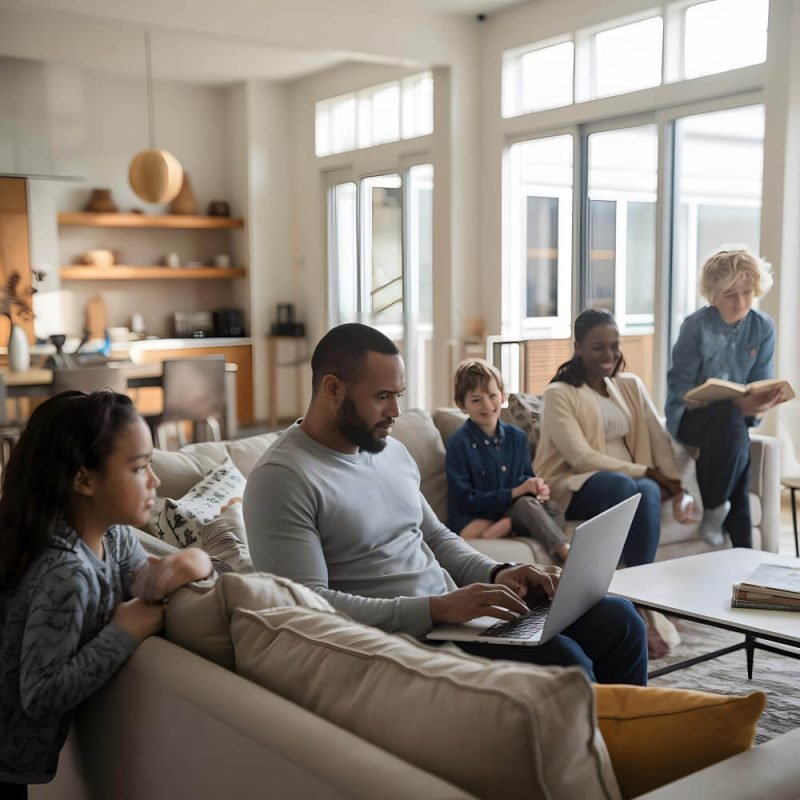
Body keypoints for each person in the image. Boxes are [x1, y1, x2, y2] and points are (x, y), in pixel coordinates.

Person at [244, 322, 647, 686]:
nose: (396, 412)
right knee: (565, 662)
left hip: (454, 619)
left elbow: (434, 535)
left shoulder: (390, 451)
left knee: (621, 621)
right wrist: (437, 608)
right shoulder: (282, 479)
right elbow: (307, 606)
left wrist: (496, 572)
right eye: (382, 397)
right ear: (333, 388)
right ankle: (592, 761)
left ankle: (627, 753)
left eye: (399, 395)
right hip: (404, 639)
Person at [0, 390, 212, 797]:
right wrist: (123, 633)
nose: (156, 480)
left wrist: (193, 561)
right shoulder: (65, 573)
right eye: (139, 468)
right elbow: (41, 696)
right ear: (83, 478)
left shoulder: (112, 536)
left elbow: (147, 581)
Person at [534, 309, 698, 571]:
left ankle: (638, 590)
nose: (609, 355)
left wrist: (677, 487)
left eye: (614, 346)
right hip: (573, 485)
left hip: (627, 482)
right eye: (598, 347)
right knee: (624, 485)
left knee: (648, 490)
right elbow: (581, 457)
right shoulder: (559, 394)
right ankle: (608, 586)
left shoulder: (629, 385)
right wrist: (646, 471)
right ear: (578, 348)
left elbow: (658, 438)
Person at [666, 247, 782, 548]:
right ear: (713, 294)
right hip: (690, 417)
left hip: (733, 421)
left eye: (747, 292)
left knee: (734, 427)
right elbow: (680, 389)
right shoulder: (695, 326)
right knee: (730, 419)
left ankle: (738, 547)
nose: (741, 302)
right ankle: (719, 512)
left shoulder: (763, 327)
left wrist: (762, 401)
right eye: (731, 294)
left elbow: (759, 382)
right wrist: (726, 404)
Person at [445, 358, 570, 562]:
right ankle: (566, 553)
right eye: (476, 400)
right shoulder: (458, 444)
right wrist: (515, 493)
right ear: (462, 405)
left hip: (511, 509)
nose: (487, 405)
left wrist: (536, 487)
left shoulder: (517, 437)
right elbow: (464, 500)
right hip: (474, 515)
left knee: (553, 509)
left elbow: (525, 478)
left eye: (492, 396)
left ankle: (509, 524)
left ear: (502, 396)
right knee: (527, 507)